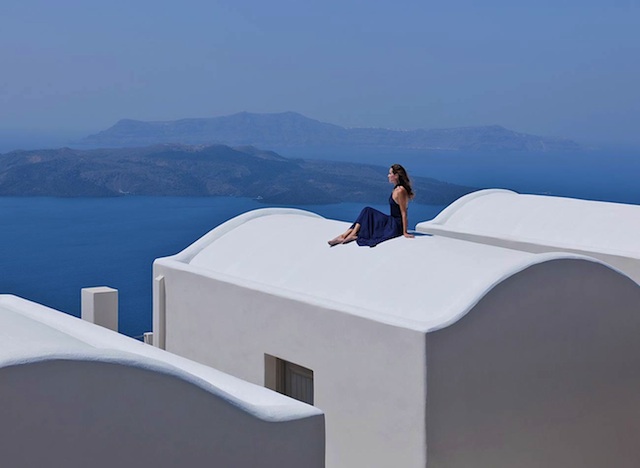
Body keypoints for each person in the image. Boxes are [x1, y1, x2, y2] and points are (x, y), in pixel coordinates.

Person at [328, 164, 415, 247]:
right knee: (367, 213)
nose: (388, 175)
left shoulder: (400, 191)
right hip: (391, 220)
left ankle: (350, 235)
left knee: (368, 211)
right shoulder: (396, 189)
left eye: (390, 173)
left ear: (396, 176)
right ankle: (345, 235)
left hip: (395, 225)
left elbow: (404, 213)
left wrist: (404, 232)